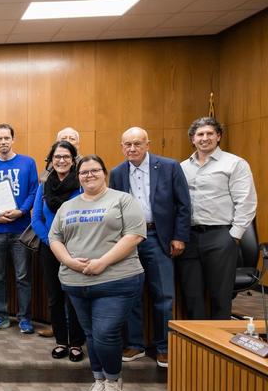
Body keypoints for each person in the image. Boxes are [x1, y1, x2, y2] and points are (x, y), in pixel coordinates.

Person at [49, 155, 146, 391]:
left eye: (94, 171)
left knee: (105, 333)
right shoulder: (68, 207)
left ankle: (114, 381)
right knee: (91, 334)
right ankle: (99, 380)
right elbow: (55, 239)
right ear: (78, 176)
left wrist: (102, 262)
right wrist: (70, 262)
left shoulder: (122, 200)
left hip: (116, 279)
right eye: (84, 172)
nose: (89, 175)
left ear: (105, 173)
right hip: (76, 281)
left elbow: (134, 235)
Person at [109, 127, 191, 368]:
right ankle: (134, 344)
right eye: (127, 144)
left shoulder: (169, 167)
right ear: (122, 147)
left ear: (148, 144)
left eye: (137, 143)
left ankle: (164, 347)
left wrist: (179, 237)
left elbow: (184, 205)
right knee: (130, 293)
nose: (132, 148)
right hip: (129, 239)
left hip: (159, 236)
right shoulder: (117, 173)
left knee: (163, 295)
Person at [177, 117, 258, 319]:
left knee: (220, 296)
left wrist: (234, 236)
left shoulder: (235, 163)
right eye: (200, 134)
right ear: (192, 139)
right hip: (189, 237)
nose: (205, 138)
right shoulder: (181, 167)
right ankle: (196, 346)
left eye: (210, 133)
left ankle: (219, 344)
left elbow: (246, 202)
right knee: (192, 295)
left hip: (221, 235)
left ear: (218, 136)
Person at [0, 123, 38, 333]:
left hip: (20, 229)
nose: (3, 142)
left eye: (6, 138)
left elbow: (33, 191)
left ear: (13, 139)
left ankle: (24, 319)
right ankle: (1, 316)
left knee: (22, 276)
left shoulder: (28, 163)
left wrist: (21, 211)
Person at [32, 141, 85, 361]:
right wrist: (52, 243)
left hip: (77, 248)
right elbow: (36, 218)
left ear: (73, 160)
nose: (61, 160)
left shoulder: (81, 185)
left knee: (74, 296)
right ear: (51, 160)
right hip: (49, 248)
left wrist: (66, 246)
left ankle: (76, 344)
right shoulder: (43, 185)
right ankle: (61, 342)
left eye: (65, 157)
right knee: (55, 297)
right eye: (57, 157)